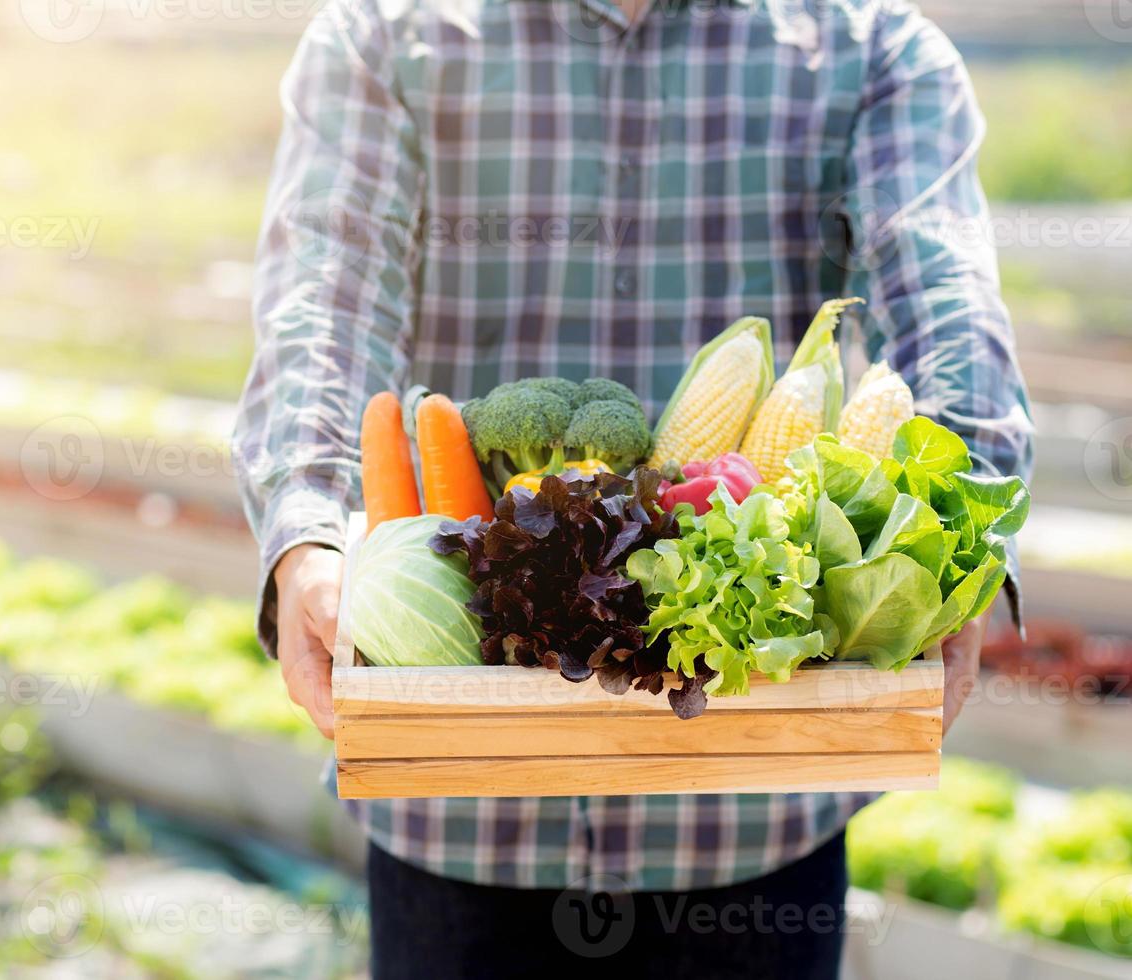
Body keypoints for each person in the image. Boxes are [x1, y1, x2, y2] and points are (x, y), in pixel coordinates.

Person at [233, 0, 1032, 975]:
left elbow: (946, 305)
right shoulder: (384, 37)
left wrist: (957, 540)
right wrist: (307, 523)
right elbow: (326, 296)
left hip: (752, 813)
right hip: (461, 804)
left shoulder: (867, 49)